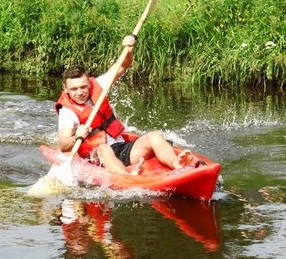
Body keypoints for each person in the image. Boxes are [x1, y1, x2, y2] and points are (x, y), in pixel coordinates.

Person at [56, 35, 194, 175]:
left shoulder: (98, 84)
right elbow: (63, 145)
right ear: (65, 89)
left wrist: (128, 50)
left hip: (121, 147)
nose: (80, 92)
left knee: (154, 136)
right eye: (74, 89)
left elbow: (123, 65)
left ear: (88, 84)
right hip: (97, 155)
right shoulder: (67, 113)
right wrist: (77, 136)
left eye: (83, 87)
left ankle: (178, 166)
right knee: (104, 148)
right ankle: (126, 178)